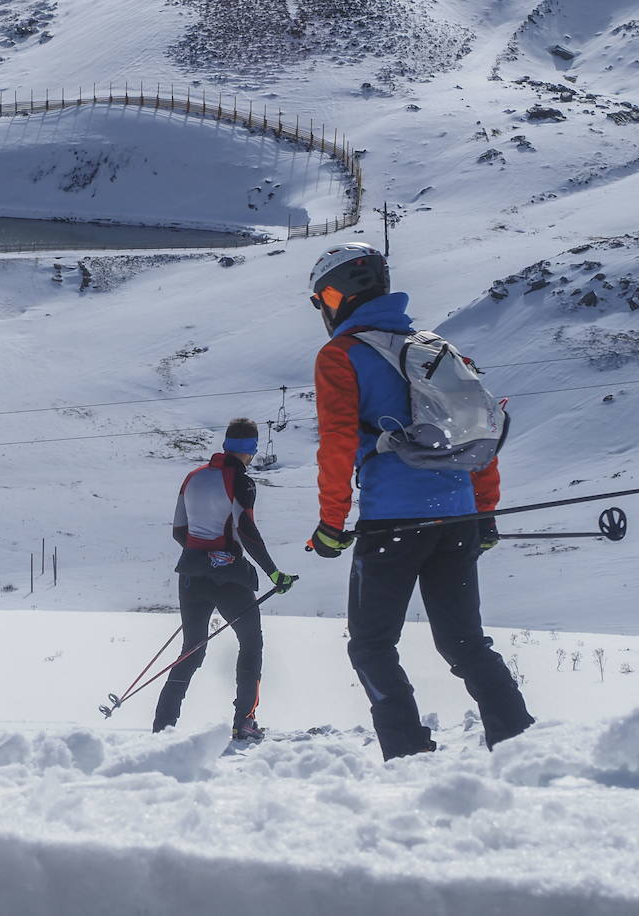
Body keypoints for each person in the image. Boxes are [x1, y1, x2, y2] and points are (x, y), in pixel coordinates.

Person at [304, 243, 533, 761]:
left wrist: (330, 524)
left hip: (391, 523)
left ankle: (409, 755)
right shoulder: (437, 350)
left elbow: (338, 444)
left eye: (322, 299)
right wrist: (485, 513)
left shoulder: (341, 356)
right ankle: (521, 744)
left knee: (370, 646)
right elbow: (480, 437)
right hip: (457, 518)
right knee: (465, 644)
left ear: (336, 295)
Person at [153, 418, 297, 740]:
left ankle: (162, 726)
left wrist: (202, 556)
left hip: (191, 575)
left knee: (191, 649)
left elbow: (179, 531)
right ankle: (244, 722)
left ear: (225, 445)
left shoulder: (192, 478)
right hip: (230, 577)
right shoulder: (241, 482)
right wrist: (273, 572)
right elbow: (246, 530)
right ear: (252, 450)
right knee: (251, 643)